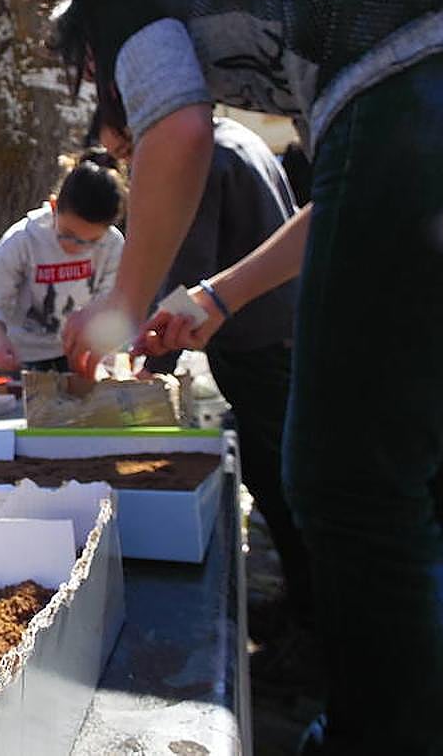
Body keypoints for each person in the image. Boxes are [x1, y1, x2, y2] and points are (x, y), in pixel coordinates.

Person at [54, 0, 443, 751]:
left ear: (89, 58)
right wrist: (218, 294)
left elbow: (175, 129)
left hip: (436, 47)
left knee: (349, 481)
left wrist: (116, 307)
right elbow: (353, 190)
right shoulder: (315, 26)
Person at [105, 113, 313, 635]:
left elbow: (182, 290)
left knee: (285, 487)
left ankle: (313, 625)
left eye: (129, 159)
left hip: (261, 344)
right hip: (276, 331)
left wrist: (144, 370)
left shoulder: (200, 160)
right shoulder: (234, 137)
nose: (132, 172)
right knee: (280, 479)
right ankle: (306, 607)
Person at [0, 155, 125, 374]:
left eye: (91, 242)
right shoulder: (21, 241)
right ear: (53, 205)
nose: (77, 248)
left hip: (84, 350)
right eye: (68, 235)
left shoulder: (113, 244)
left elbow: (110, 300)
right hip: (28, 358)